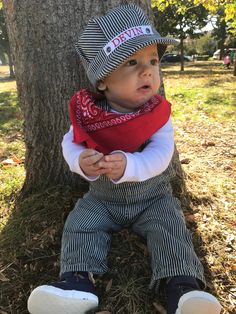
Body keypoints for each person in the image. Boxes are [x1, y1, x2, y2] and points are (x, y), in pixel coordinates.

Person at [27, 4, 222, 314]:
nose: (147, 70)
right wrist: (82, 161)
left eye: (153, 60)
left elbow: (161, 154)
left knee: (169, 226)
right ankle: (77, 282)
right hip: (103, 197)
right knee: (80, 224)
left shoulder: (157, 113)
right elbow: (70, 144)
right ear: (103, 80)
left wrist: (130, 165)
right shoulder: (89, 114)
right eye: (132, 62)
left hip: (152, 197)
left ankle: (183, 287)